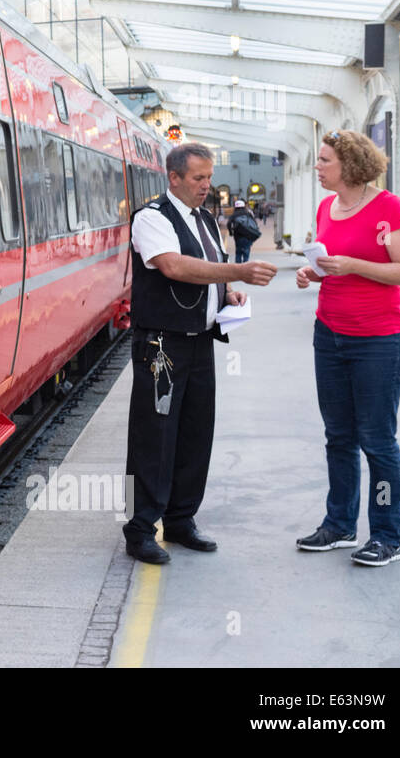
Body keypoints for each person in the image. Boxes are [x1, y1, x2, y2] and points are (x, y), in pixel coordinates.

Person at [124, 143, 277, 564]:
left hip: (200, 339)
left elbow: (209, 266)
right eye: (198, 178)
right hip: (161, 344)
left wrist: (227, 291)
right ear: (173, 178)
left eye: (209, 178)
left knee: (195, 431)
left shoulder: (205, 219)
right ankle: (140, 529)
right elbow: (174, 266)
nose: (206, 186)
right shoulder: (151, 218)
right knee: (153, 435)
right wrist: (238, 271)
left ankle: (180, 519)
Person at [294, 130, 400, 566]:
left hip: (379, 341)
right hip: (330, 334)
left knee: (377, 440)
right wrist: (314, 273)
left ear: (349, 165)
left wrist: (351, 265)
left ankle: (388, 534)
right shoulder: (327, 207)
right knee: (339, 437)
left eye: (325, 160)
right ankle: (340, 524)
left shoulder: (390, 208)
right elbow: (333, 262)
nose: (318, 166)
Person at [227, 199, 262, 263]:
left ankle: (238, 268)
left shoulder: (234, 215)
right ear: (243, 206)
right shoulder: (248, 213)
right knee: (246, 251)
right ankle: (246, 265)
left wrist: (230, 233)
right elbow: (254, 223)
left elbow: (228, 224)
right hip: (248, 236)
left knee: (238, 252)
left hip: (238, 236)